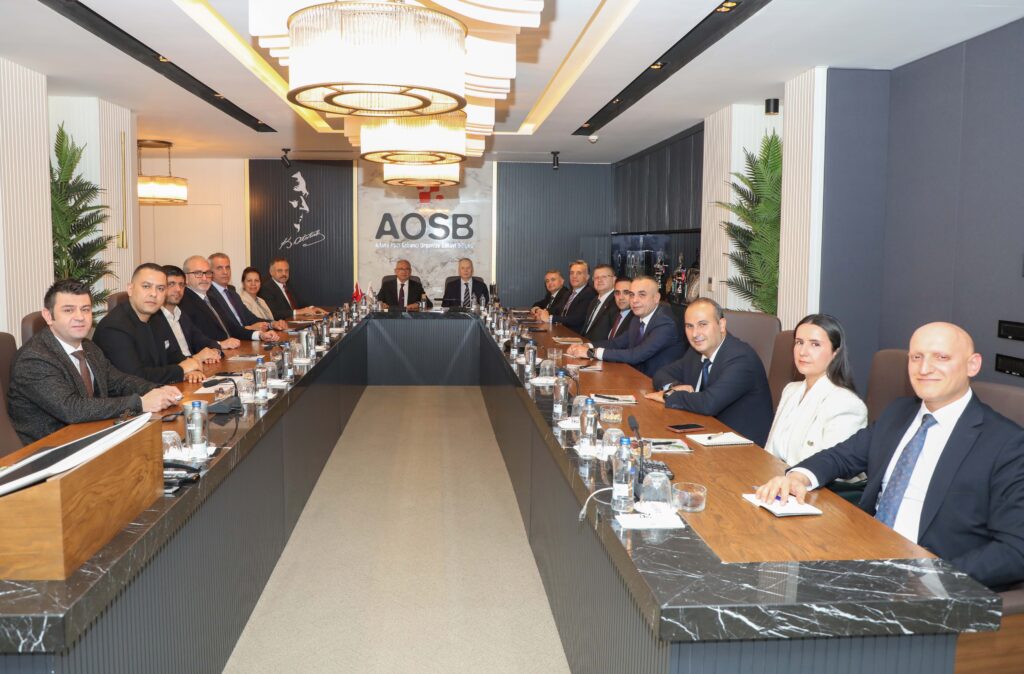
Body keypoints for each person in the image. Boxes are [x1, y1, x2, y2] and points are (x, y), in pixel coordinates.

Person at [756, 322, 1024, 591]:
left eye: (941, 357)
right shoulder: (899, 413)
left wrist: (934, 579)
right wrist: (799, 477)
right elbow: (842, 456)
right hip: (863, 556)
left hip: (926, 580)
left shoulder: (1007, 443)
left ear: (972, 365)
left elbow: (1015, 549)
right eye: (916, 357)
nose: (924, 368)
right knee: (770, 571)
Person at [7, 279, 182, 445]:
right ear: (48, 316)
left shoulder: (88, 347)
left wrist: (157, 390)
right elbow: (72, 409)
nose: (80, 317)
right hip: (51, 451)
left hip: (92, 435)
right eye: (68, 310)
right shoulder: (33, 358)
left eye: (85, 309)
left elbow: (118, 381)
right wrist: (140, 403)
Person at [646, 297, 773, 446]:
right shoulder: (696, 352)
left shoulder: (741, 358)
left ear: (721, 325)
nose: (695, 334)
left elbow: (708, 403)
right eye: (689, 326)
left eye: (703, 324)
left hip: (744, 447)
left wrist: (668, 395)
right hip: (707, 434)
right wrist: (674, 386)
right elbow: (661, 374)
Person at [764, 314, 867, 465]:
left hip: (809, 479)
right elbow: (769, 451)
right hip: (773, 475)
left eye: (815, 344)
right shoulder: (790, 391)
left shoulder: (847, 404)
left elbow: (831, 467)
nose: (803, 352)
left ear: (835, 353)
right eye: (799, 342)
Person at [93, 264, 217, 385]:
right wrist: (182, 369)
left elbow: (172, 355)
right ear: (130, 289)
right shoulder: (114, 327)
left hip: (159, 391)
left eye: (160, 288)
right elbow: (135, 378)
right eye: (146, 286)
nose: (154, 294)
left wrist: (192, 367)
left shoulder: (156, 317)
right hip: (130, 397)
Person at [567, 276, 684, 377]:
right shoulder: (637, 318)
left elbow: (636, 355)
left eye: (642, 295)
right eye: (632, 295)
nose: (634, 300)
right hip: (636, 377)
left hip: (657, 382)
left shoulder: (665, 322)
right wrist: (587, 345)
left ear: (656, 298)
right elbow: (617, 343)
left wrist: (591, 352)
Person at [179, 255, 279, 344]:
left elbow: (232, 328)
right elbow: (195, 338)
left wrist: (260, 335)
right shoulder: (183, 302)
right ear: (185, 278)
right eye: (198, 273)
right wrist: (220, 345)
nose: (205, 278)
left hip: (232, 347)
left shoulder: (211, 299)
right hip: (213, 353)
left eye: (208, 273)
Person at [207, 253, 286, 340]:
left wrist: (272, 324)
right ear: (210, 272)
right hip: (232, 341)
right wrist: (254, 331)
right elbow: (226, 327)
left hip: (246, 338)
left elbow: (251, 318)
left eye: (227, 267)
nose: (225, 272)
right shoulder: (208, 295)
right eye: (219, 268)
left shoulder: (233, 293)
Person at [161, 265, 236, 354]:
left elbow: (200, 340)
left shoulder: (180, 314)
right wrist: (196, 358)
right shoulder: (154, 319)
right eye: (171, 284)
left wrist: (215, 350)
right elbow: (169, 357)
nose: (178, 289)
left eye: (181, 284)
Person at [534, 260, 596, 332]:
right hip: (562, 331)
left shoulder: (589, 293)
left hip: (575, 335)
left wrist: (550, 318)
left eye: (579, 273)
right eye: (572, 273)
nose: (574, 276)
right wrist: (542, 312)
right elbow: (557, 309)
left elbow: (576, 319)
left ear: (587, 277)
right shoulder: (569, 293)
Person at [259, 257, 325, 320]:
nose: (284, 274)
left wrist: (312, 308)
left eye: (286, 270)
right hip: (282, 325)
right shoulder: (266, 289)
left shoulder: (288, 285)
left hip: (296, 321)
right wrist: (297, 312)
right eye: (280, 271)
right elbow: (273, 313)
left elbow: (300, 303)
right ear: (271, 272)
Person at [579, 264, 618, 342]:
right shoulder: (594, 301)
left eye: (604, 277)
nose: (599, 280)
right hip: (584, 343)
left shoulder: (616, 302)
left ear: (614, 279)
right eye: (596, 277)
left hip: (599, 347)